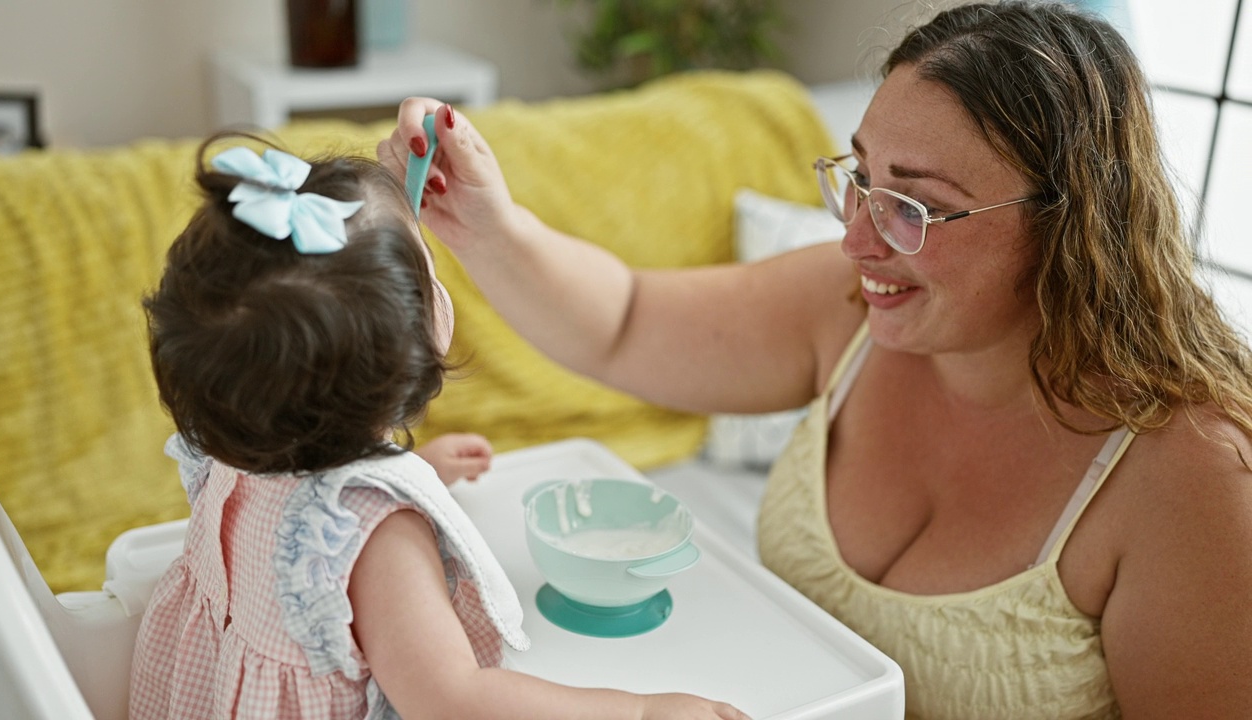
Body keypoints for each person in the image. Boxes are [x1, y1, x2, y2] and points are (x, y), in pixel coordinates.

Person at [378, 2, 1252, 718]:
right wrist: (486, 222)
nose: (857, 236)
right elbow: (624, 322)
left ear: (1070, 227)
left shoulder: (1192, 475)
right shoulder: (856, 306)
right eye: (859, 179)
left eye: (912, 206)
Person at [130, 132, 749, 720]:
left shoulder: (235, 443)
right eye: (426, 268)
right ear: (410, 357)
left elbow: (310, 507)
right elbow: (453, 701)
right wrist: (639, 711)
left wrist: (416, 472)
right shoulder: (384, 541)